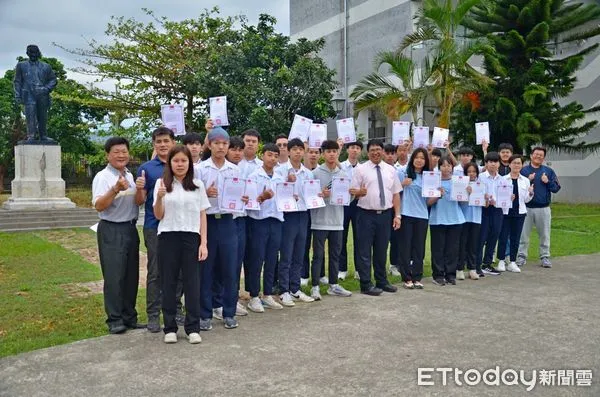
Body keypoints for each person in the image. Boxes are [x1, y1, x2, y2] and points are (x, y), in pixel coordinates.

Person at [153, 145, 210, 344]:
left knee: (192, 283)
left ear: (190, 163)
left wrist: (203, 243)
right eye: (176, 161)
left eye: (183, 161)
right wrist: (160, 197)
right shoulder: (161, 184)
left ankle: (192, 327)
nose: (180, 164)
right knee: (168, 283)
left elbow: (202, 215)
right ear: (169, 163)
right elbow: (158, 215)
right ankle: (169, 327)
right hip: (168, 236)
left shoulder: (197, 185)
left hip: (191, 237)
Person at [194, 127, 247, 330]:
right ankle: (205, 314)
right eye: (217, 143)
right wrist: (205, 193)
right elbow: (194, 198)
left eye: (224, 144)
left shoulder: (235, 170)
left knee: (230, 269)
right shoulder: (200, 169)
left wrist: (243, 197)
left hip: (227, 222)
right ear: (210, 145)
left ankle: (229, 313)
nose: (221, 147)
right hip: (207, 222)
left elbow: (243, 196)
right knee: (206, 270)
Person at [135, 127, 183, 333]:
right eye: (159, 141)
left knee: (178, 271)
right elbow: (139, 201)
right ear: (154, 144)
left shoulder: (181, 165)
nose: (163, 145)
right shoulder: (146, 168)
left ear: (173, 142)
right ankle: (153, 314)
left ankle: (175, 309)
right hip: (154, 227)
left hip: (178, 226)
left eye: (166, 141)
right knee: (155, 272)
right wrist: (139, 188)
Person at [92, 137, 142, 334]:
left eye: (124, 151)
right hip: (111, 229)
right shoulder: (102, 177)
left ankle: (130, 317)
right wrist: (114, 189)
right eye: (116, 152)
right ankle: (114, 319)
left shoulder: (130, 176)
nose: (121, 155)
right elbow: (98, 206)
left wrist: (141, 188)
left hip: (130, 228)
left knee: (131, 276)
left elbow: (137, 202)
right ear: (107, 155)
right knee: (114, 276)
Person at [350, 139, 402, 296]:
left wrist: (397, 215)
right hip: (365, 214)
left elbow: (396, 193)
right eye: (372, 150)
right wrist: (359, 193)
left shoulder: (390, 170)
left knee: (381, 249)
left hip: (385, 215)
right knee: (364, 250)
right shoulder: (360, 169)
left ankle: (382, 281)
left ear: (383, 151)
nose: (375, 152)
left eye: (378, 149)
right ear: (368, 152)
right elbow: (352, 190)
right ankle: (366, 284)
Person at [308, 140, 353, 300]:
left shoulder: (343, 174)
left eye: (334, 151)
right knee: (318, 255)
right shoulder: (315, 173)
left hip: (337, 221)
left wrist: (351, 193)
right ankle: (315, 287)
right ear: (323, 153)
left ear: (338, 153)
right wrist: (319, 194)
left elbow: (349, 198)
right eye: (328, 151)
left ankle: (334, 285)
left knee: (335, 254)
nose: (332, 154)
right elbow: (309, 196)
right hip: (319, 221)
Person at [275, 138, 315, 306]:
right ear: (289, 151)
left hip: (303, 214)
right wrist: (287, 184)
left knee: (300, 253)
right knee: (286, 254)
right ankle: (283, 290)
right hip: (288, 215)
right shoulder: (281, 170)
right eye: (295, 149)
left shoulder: (308, 172)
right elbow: (277, 192)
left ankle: (295, 288)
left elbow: (311, 193)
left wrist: (317, 196)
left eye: (301, 149)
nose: (298, 152)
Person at [246, 143, 285, 312]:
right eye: (270, 155)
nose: (273, 158)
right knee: (257, 258)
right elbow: (249, 203)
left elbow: (284, 199)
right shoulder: (254, 176)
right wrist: (262, 197)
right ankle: (254, 296)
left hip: (276, 220)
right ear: (263, 156)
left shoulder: (279, 177)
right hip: (259, 221)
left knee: (271, 258)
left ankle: (268, 294)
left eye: (276, 156)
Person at [517, 147, 561, 268]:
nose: (538, 157)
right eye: (536, 154)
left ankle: (545, 256)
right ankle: (521, 256)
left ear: (544, 157)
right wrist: (528, 180)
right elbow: (517, 188)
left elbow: (556, 188)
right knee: (523, 234)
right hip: (526, 208)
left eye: (541, 155)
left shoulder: (548, 171)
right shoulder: (523, 171)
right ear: (531, 156)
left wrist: (547, 182)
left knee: (545, 234)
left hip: (544, 208)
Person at [427, 156, 465, 285]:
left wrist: (467, 192)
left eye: (449, 165)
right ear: (439, 167)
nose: (446, 168)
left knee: (452, 249)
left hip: (455, 219)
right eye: (443, 165)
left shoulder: (458, 181)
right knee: (438, 249)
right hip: (438, 219)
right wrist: (438, 195)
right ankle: (438, 275)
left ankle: (450, 274)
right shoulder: (433, 181)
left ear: (452, 168)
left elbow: (462, 201)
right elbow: (428, 202)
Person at [396, 148, 430, 289]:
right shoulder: (403, 173)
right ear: (412, 158)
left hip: (422, 215)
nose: (419, 160)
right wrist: (403, 184)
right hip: (406, 214)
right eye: (417, 157)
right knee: (405, 246)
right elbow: (394, 192)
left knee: (419, 248)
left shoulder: (428, 177)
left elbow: (428, 200)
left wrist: (437, 193)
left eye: (422, 158)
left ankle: (417, 276)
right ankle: (407, 277)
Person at [225, 136, 250, 317]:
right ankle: (219, 301)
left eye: (240, 150)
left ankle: (233, 300)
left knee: (236, 263)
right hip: (225, 220)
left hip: (242, 219)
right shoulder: (221, 169)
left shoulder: (247, 170)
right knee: (223, 264)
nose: (237, 153)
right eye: (233, 149)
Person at [496, 155, 534, 273]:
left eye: (519, 163)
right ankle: (501, 260)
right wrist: (507, 198)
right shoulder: (503, 179)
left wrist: (531, 193)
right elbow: (499, 197)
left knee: (515, 238)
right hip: (505, 212)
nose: (516, 165)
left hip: (520, 212)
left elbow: (526, 200)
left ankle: (512, 261)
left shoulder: (525, 180)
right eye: (514, 163)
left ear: (522, 165)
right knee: (503, 237)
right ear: (509, 164)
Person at [13, 44, 57, 143]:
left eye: (35, 53)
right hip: (28, 94)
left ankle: (43, 136)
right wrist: (18, 94)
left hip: (42, 94)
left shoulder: (46, 66)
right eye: (31, 53)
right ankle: (31, 136)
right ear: (27, 53)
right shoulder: (21, 65)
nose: (33, 55)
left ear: (38, 53)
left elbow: (53, 80)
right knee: (30, 115)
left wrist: (46, 89)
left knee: (42, 116)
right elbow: (17, 81)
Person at [476, 152, 508, 276]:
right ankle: (476, 264)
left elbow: (505, 196)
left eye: (495, 162)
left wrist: (509, 197)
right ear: (486, 163)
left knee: (494, 235)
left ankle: (487, 263)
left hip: (498, 210)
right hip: (484, 209)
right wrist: (484, 198)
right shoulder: (481, 177)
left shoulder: (503, 179)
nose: (493, 164)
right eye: (490, 161)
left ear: (499, 164)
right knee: (481, 237)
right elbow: (476, 193)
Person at [301, 146, 326, 286]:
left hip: (318, 213)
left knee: (319, 246)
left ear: (320, 155)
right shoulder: (303, 172)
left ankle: (321, 274)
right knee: (304, 244)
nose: (313, 155)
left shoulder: (321, 172)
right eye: (310, 152)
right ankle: (303, 274)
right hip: (305, 212)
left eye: (316, 152)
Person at [339, 141, 363, 280]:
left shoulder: (363, 168)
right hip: (343, 204)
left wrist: (359, 191)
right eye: (352, 147)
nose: (355, 150)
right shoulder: (341, 166)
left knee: (359, 238)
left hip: (359, 204)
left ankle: (359, 269)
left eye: (357, 148)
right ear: (348, 150)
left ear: (360, 151)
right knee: (341, 237)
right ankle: (342, 269)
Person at [457, 162, 484, 280]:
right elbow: (458, 200)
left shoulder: (481, 185)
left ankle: (472, 268)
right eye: (469, 172)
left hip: (476, 218)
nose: (472, 174)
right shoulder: (461, 184)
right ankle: (460, 268)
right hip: (464, 218)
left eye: (474, 171)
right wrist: (466, 193)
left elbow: (485, 204)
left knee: (474, 244)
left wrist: (486, 199)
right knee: (462, 244)